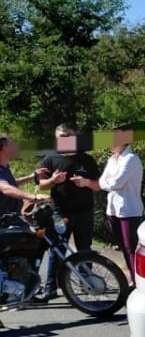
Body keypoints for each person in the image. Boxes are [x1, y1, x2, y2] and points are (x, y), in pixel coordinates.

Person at [33, 125, 100, 302]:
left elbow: (98, 186)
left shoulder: (87, 159)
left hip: (85, 211)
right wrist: (53, 180)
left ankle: (87, 283)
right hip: (60, 212)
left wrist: (86, 182)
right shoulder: (50, 159)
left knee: (84, 249)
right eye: (60, 137)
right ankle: (50, 288)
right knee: (57, 250)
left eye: (67, 136)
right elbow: (41, 185)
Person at [73, 137, 143, 286]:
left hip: (129, 210)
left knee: (131, 247)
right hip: (113, 209)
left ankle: (138, 281)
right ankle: (133, 278)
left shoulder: (131, 159)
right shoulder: (112, 159)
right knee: (123, 246)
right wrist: (107, 183)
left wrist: (106, 183)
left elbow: (116, 183)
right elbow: (102, 181)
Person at [0, 135, 49, 214]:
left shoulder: (4, 167)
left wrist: (31, 177)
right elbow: (6, 188)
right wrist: (34, 197)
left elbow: (10, 183)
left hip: (12, 214)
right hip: (4, 219)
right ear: (4, 148)